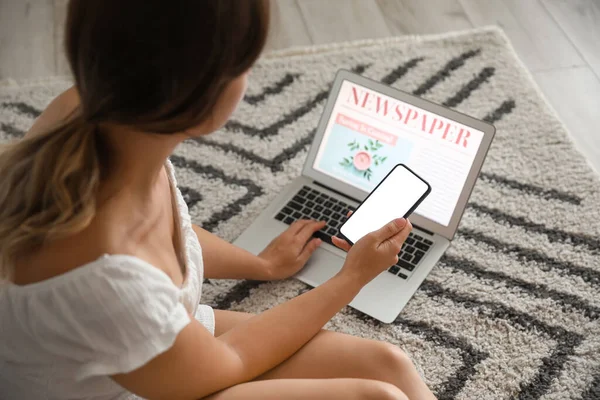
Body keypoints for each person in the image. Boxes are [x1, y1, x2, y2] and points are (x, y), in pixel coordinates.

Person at [0, 1, 437, 399]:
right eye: (246, 64)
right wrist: (351, 277)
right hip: (141, 385)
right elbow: (231, 362)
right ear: (206, 91)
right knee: (378, 397)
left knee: (388, 364)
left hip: (146, 348)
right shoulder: (110, 282)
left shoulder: (88, 114)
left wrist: (262, 265)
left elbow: (163, 231)